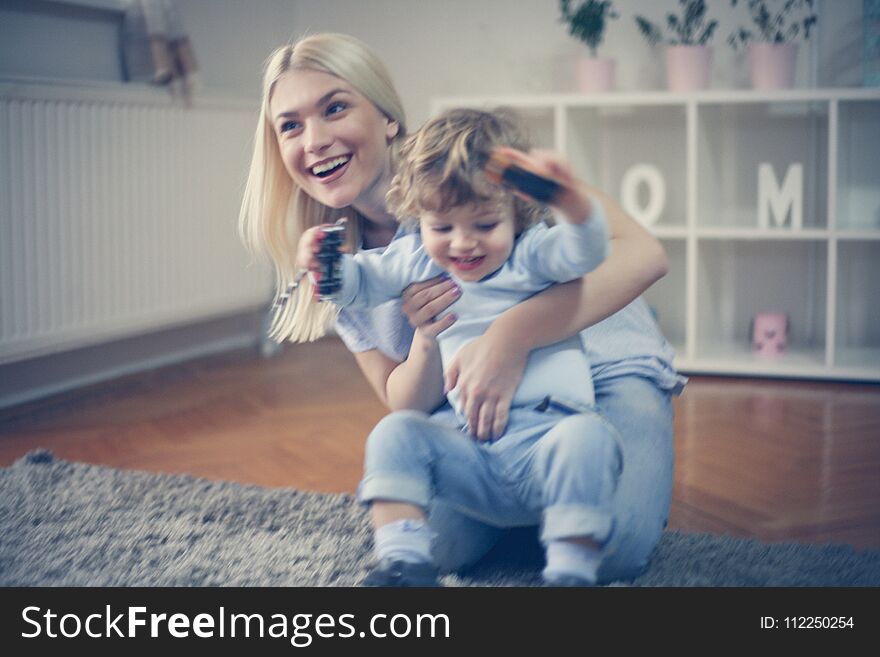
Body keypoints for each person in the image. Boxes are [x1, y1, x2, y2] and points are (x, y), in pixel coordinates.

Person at [238, 33, 685, 585]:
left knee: (614, 549)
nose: (316, 139)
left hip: (601, 370)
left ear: (386, 118)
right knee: (441, 547)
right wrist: (426, 336)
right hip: (477, 404)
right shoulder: (350, 259)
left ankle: (557, 502)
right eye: (291, 125)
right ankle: (539, 500)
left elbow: (644, 254)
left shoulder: (469, 163)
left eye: (335, 108)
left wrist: (511, 336)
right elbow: (401, 401)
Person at [297, 107, 628, 586]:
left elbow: (587, 251)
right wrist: (327, 268)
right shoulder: (416, 258)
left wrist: (572, 204)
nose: (463, 244)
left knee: (591, 439)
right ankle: (404, 564)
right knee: (395, 432)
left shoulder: (532, 253)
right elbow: (362, 283)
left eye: (485, 225)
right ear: (419, 218)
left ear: (516, 214)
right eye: (443, 227)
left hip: (550, 444)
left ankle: (570, 575)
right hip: (473, 451)